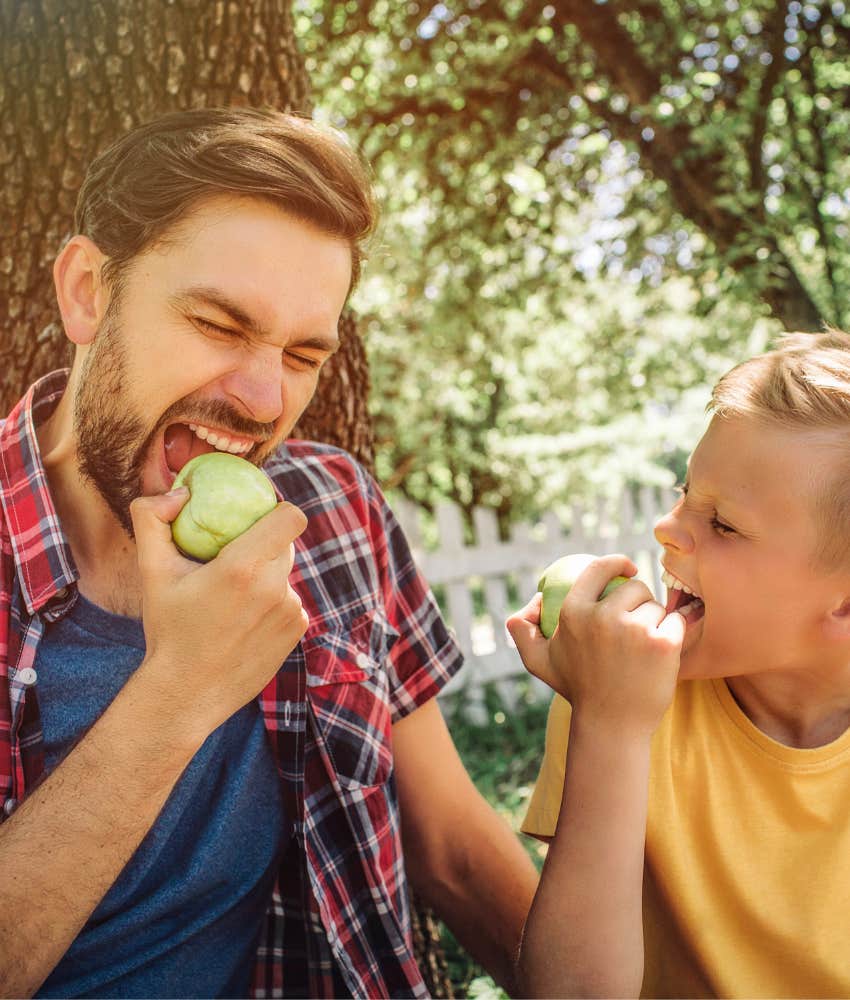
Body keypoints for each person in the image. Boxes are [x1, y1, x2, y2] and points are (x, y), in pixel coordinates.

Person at [0, 107, 538, 999]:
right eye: (219, 324)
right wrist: (179, 694)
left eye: (301, 354)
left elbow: (452, 848)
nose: (261, 399)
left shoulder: (333, 509)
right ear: (88, 291)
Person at [507, 329, 850, 998]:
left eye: (723, 524)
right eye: (685, 491)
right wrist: (610, 726)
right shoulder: (616, 695)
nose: (666, 528)